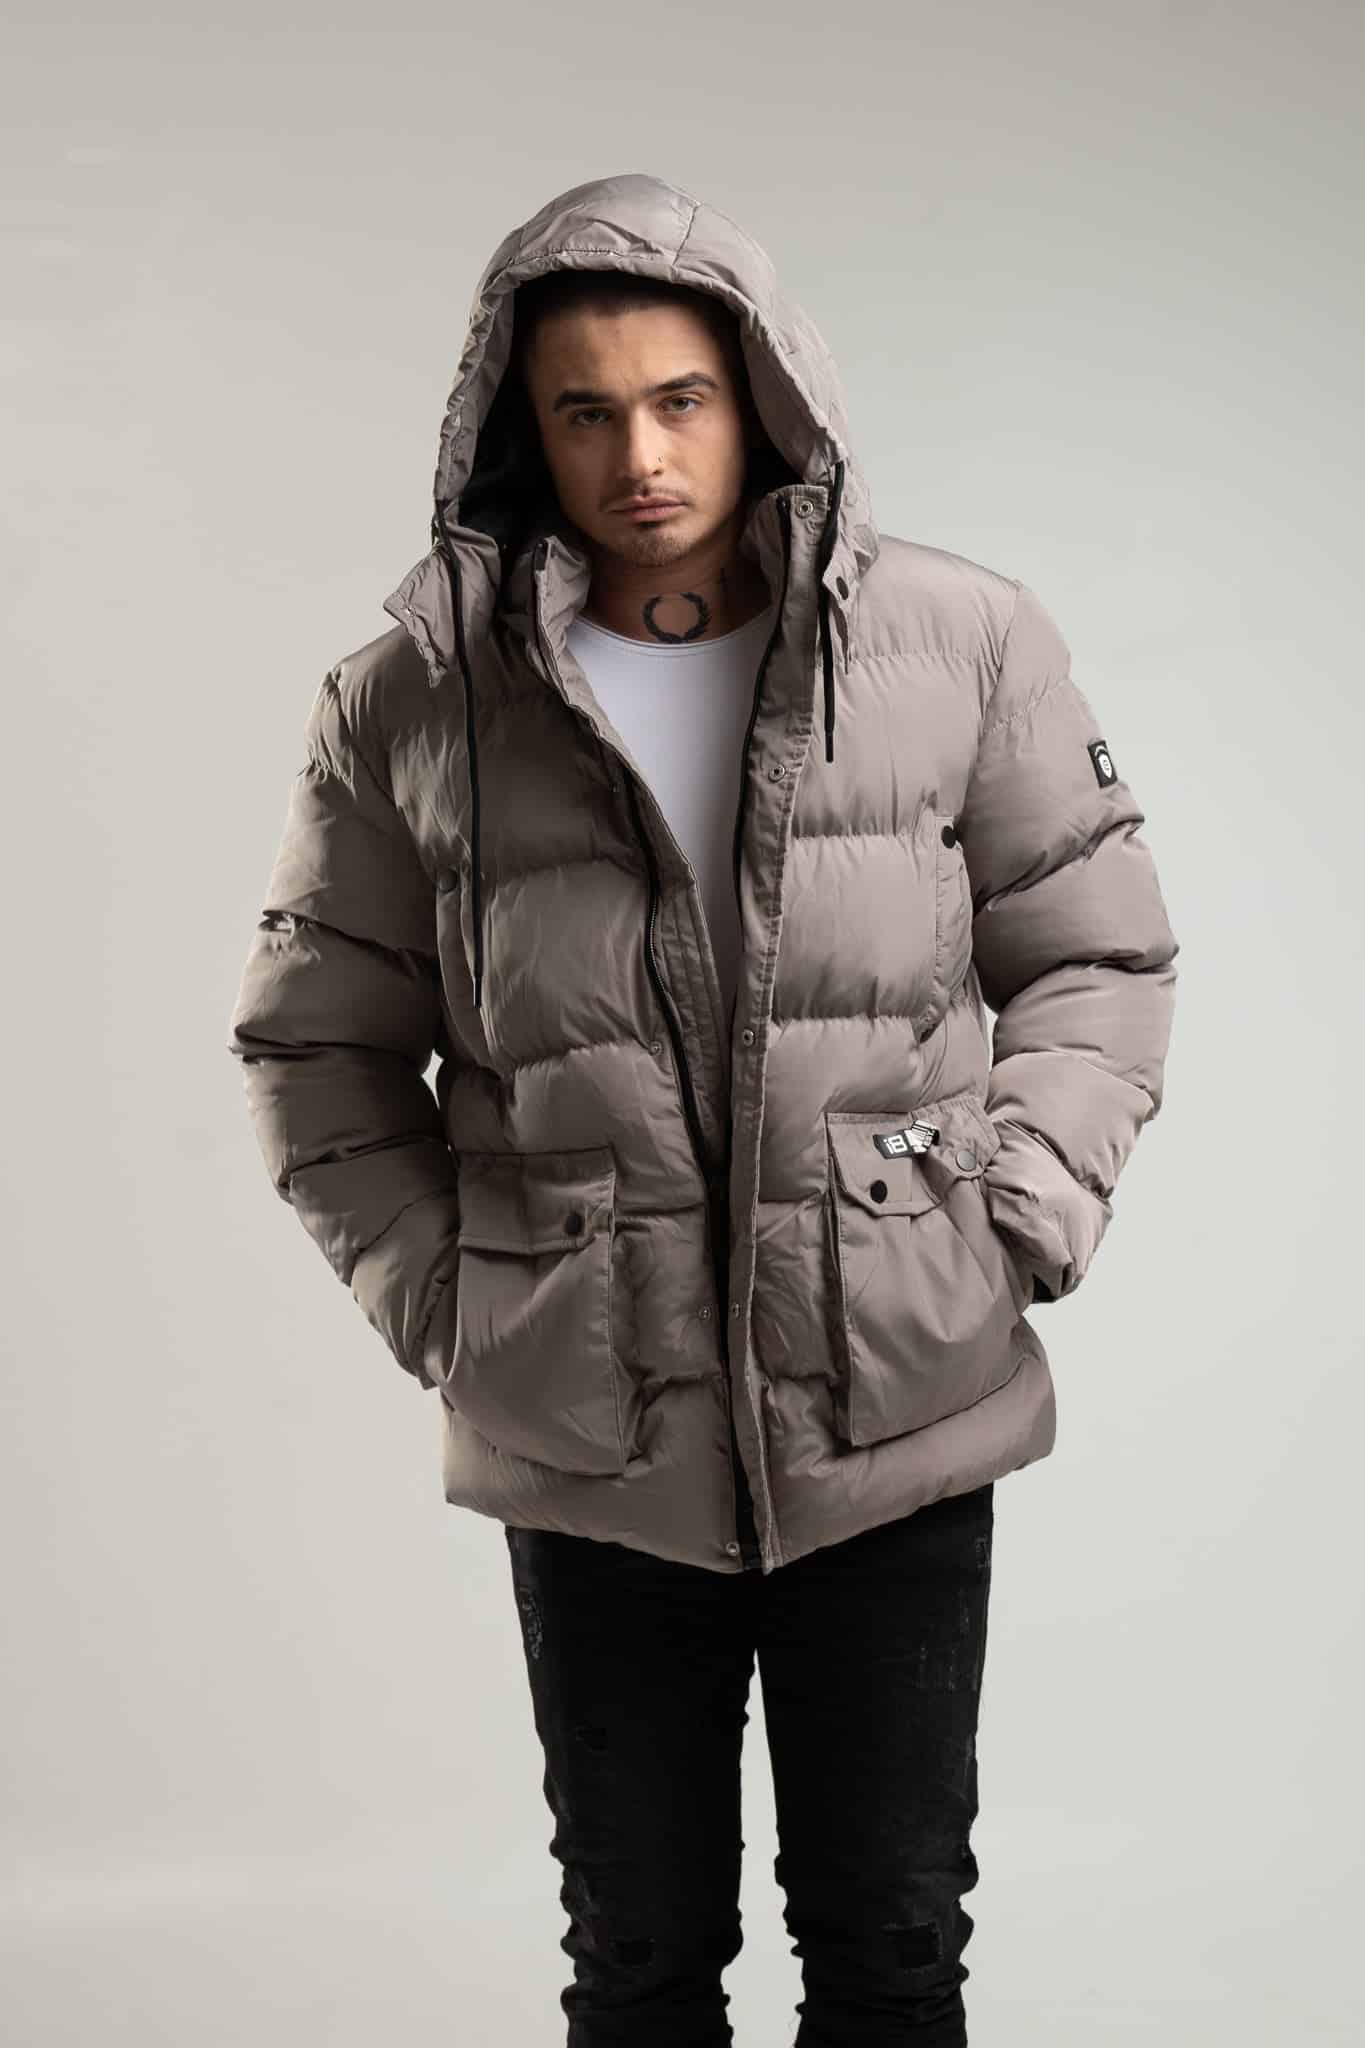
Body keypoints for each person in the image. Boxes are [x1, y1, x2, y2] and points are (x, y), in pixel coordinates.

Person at [227, 171, 1179, 2046]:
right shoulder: (413, 697)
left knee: (891, 1952)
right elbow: (313, 1043)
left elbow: (1094, 953)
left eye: (678, 399)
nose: (638, 455)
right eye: (583, 411)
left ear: (760, 398)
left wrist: (1008, 1215)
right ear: (523, 429)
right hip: (588, 1425)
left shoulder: (961, 642)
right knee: (639, 1958)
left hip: (897, 1394)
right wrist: (456, 1304)